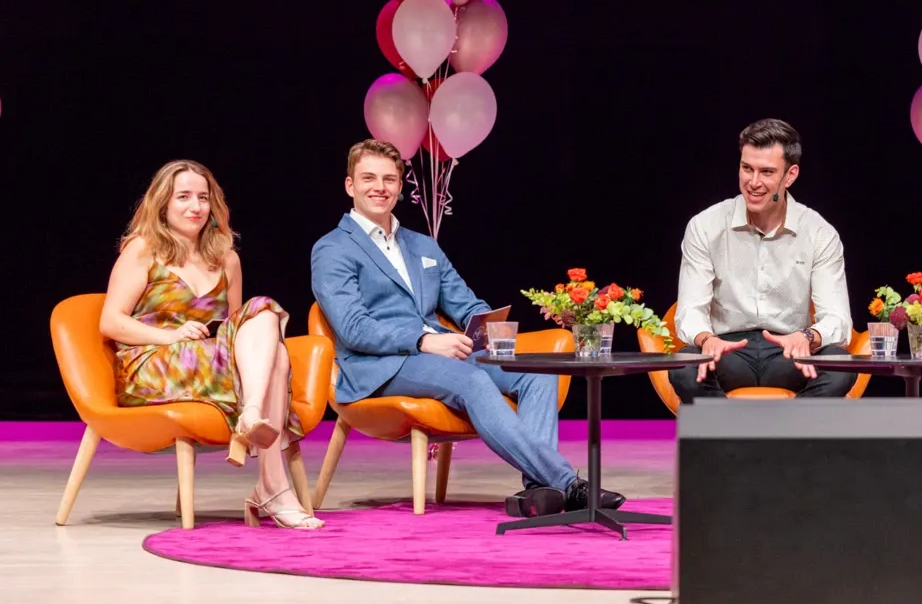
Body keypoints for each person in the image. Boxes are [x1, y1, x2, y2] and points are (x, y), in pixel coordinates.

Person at [311, 139, 622, 517]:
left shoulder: (422, 245)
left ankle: (541, 490)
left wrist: (488, 327)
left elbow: (464, 302)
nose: (380, 187)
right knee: (470, 381)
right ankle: (568, 484)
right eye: (369, 178)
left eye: (389, 179)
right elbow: (353, 328)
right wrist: (424, 340)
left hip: (439, 352)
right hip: (379, 365)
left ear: (399, 186)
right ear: (350, 186)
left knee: (537, 376)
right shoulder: (332, 249)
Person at [101, 160, 322, 530]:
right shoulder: (144, 249)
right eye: (183, 197)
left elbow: (240, 329)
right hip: (152, 363)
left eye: (203, 197)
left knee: (264, 321)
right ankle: (271, 485)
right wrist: (169, 336)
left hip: (207, 363)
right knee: (274, 350)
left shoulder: (226, 258)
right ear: (163, 205)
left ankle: (254, 422)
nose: (195, 207)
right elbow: (111, 322)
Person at [668, 118, 857, 400]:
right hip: (727, 350)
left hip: (789, 351)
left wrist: (806, 337)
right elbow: (689, 310)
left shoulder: (819, 232)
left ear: (790, 175)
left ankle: (785, 438)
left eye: (767, 172)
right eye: (747, 169)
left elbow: (838, 320)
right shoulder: (705, 225)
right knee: (684, 365)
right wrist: (707, 340)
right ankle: (733, 437)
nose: (753, 183)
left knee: (841, 365)